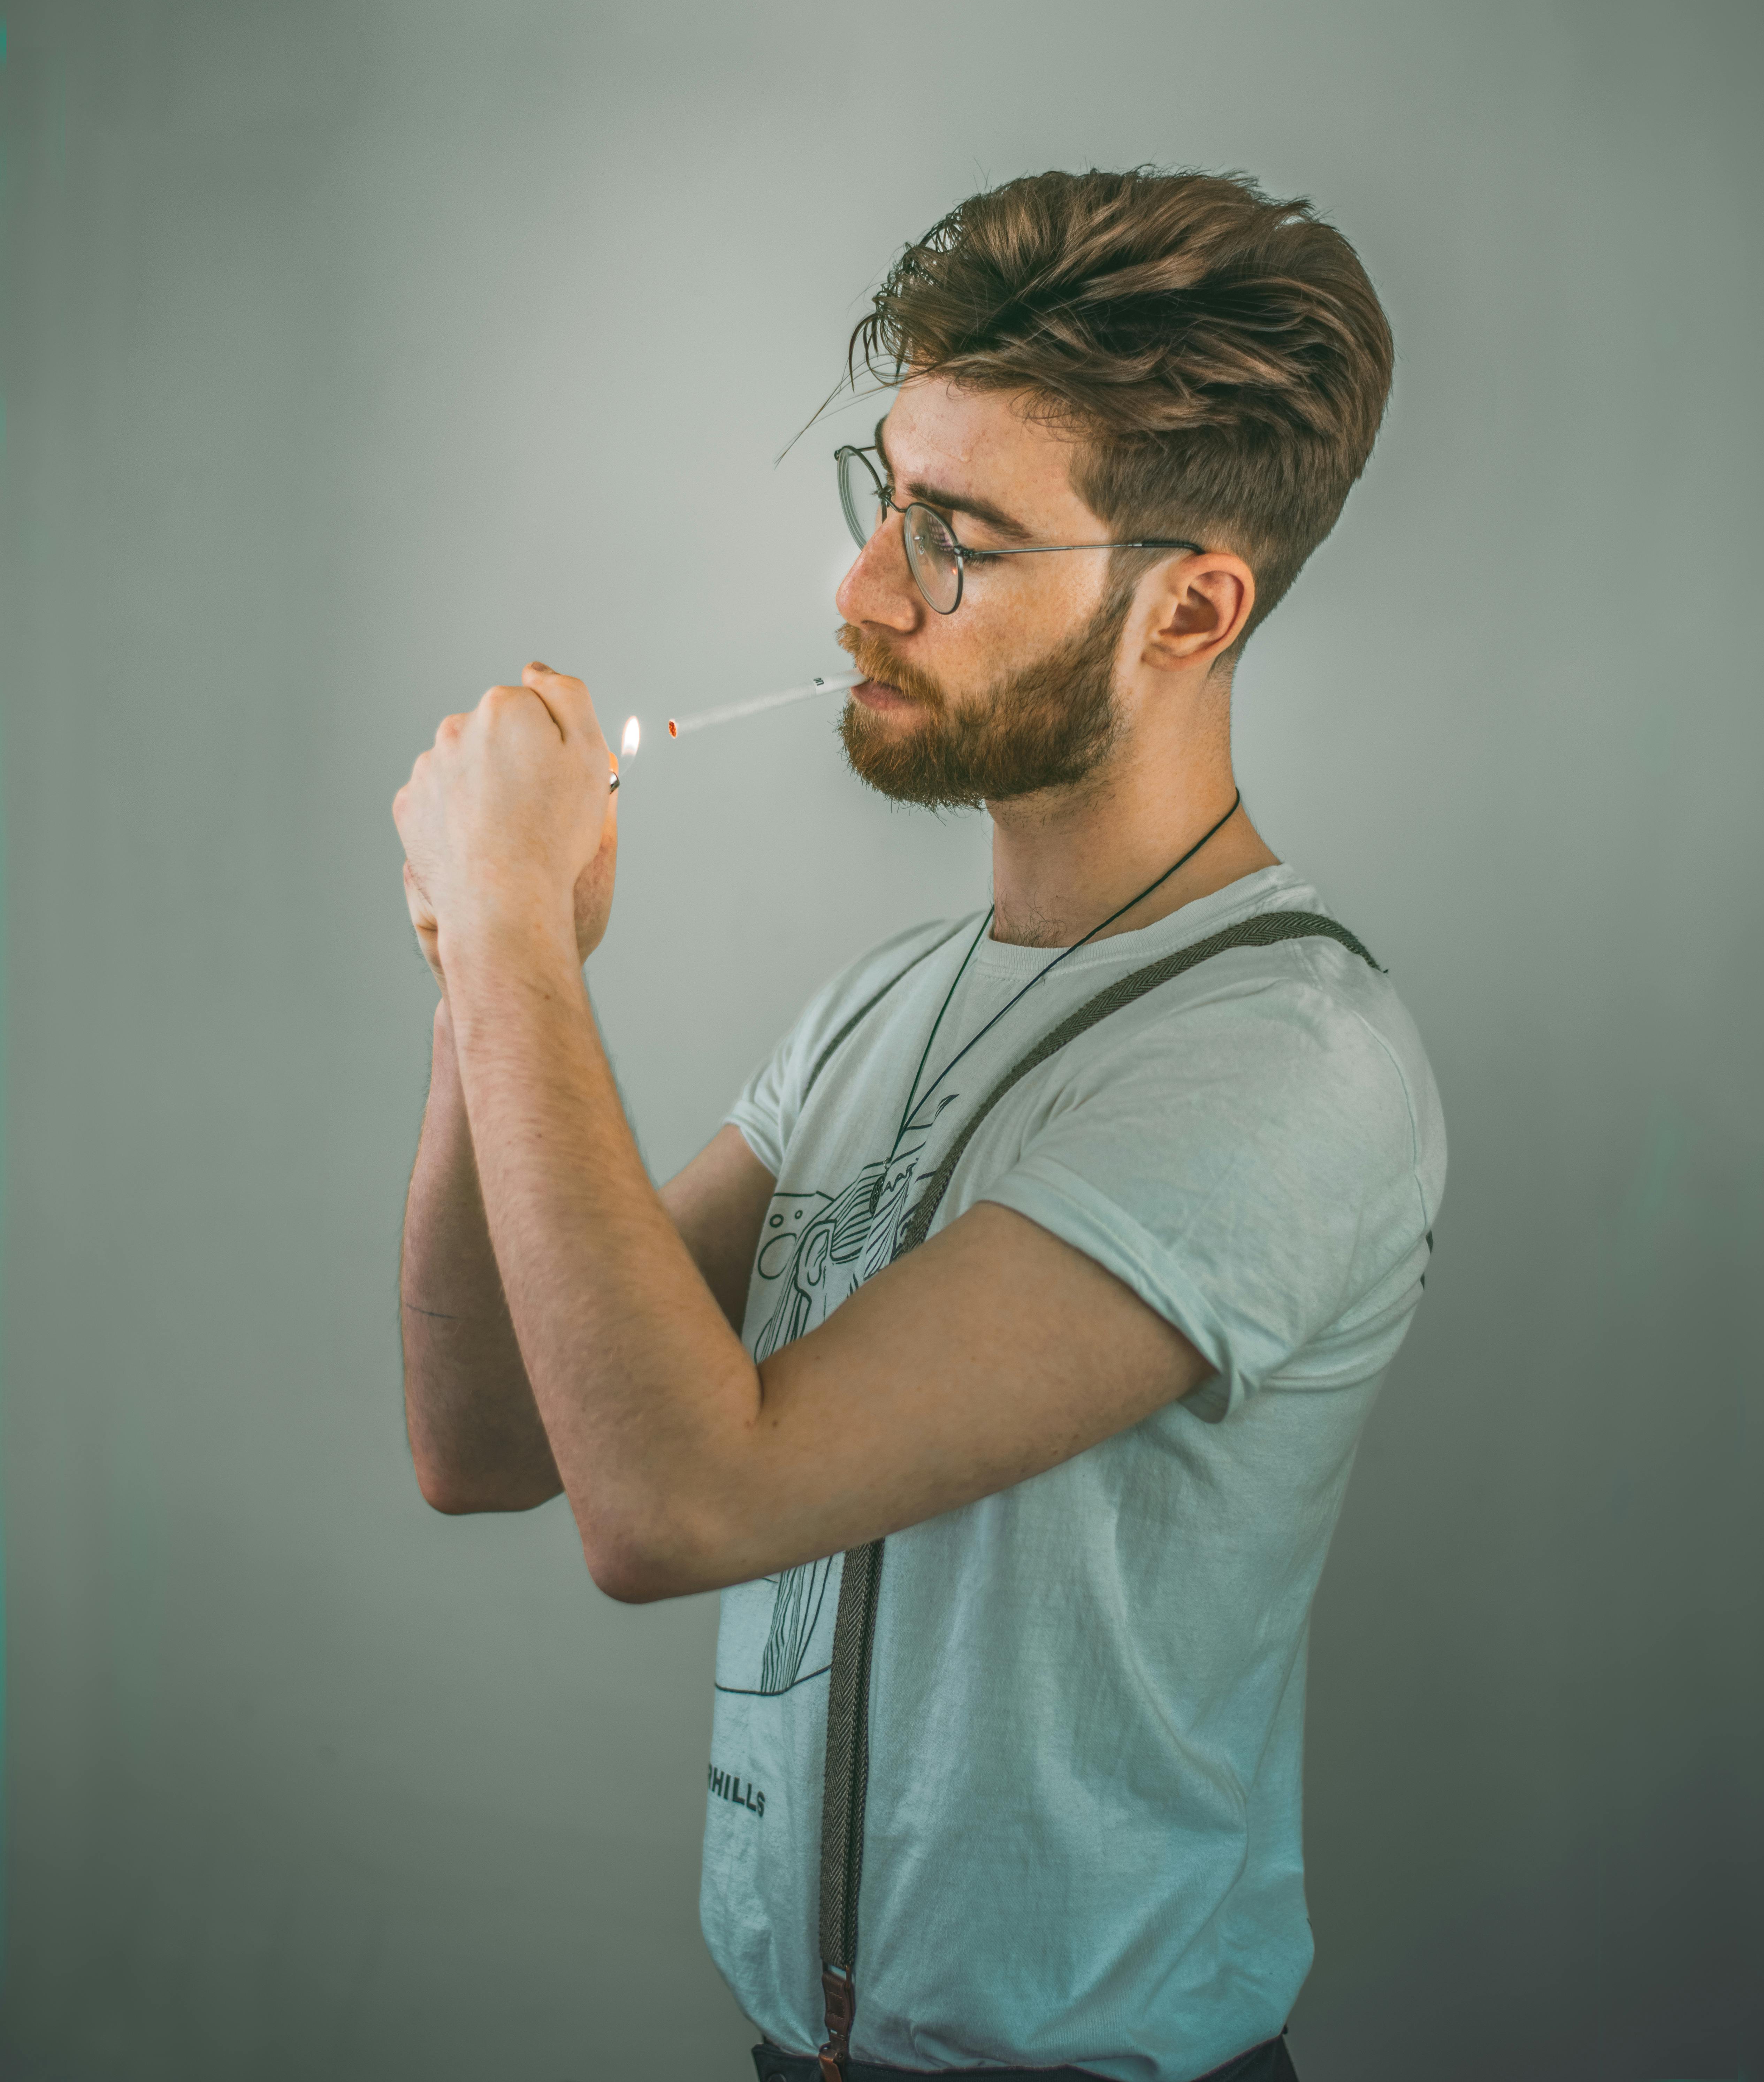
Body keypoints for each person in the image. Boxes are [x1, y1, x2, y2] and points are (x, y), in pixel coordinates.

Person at [392, 168, 1447, 2082]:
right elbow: (490, 1444)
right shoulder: (881, 1006)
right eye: (885, 500)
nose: (864, 590)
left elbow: (674, 1506)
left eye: (958, 537)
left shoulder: (1282, 1062)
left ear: (1189, 609)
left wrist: (520, 942)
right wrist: (486, 970)